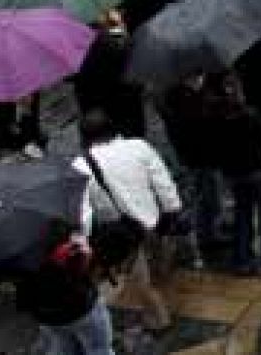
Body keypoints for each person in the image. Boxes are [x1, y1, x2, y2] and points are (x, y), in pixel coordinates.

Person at [74, 109, 182, 334]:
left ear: (83, 137)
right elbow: (163, 183)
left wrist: (83, 242)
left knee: (140, 279)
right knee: (161, 270)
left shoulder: (82, 165)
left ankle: (161, 319)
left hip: (124, 234)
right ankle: (168, 302)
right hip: (155, 225)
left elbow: (83, 214)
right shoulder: (139, 147)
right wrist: (172, 211)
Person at [204, 74, 261, 278]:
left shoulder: (212, 116)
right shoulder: (247, 114)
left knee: (242, 215)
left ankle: (243, 260)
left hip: (234, 174)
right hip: (258, 171)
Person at [14, 226, 115, 355]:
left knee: (63, 348)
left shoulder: (14, 245)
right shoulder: (65, 236)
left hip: (45, 313)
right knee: (99, 348)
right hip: (80, 308)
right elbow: (86, 267)